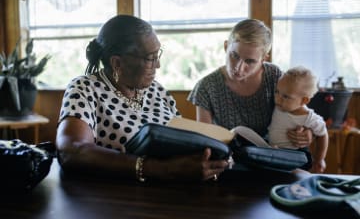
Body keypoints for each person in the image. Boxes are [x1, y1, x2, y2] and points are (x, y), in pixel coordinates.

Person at [56, 15, 229, 182]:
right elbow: (72, 151)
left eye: (158, 55)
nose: (158, 65)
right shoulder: (85, 88)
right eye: (150, 58)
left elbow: (182, 142)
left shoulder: (157, 91)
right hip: (117, 201)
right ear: (117, 63)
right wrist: (161, 169)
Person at [188, 18, 313, 149]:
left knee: (301, 170)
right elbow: (204, 140)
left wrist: (307, 133)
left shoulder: (274, 76)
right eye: (234, 55)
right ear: (226, 46)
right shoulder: (206, 87)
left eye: (250, 61)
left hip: (275, 153)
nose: (238, 67)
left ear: (264, 58)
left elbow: (301, 113)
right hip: (230, 159)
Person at [268, 66, 328, 173]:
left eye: (286, 96)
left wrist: (319, 160)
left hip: (296, 156)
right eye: (277, 92)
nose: (278, 98)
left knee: (297, 178)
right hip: (275, 152)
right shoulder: (280, 105)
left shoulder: (309, 117)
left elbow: (323, 134)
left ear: (304, 100)